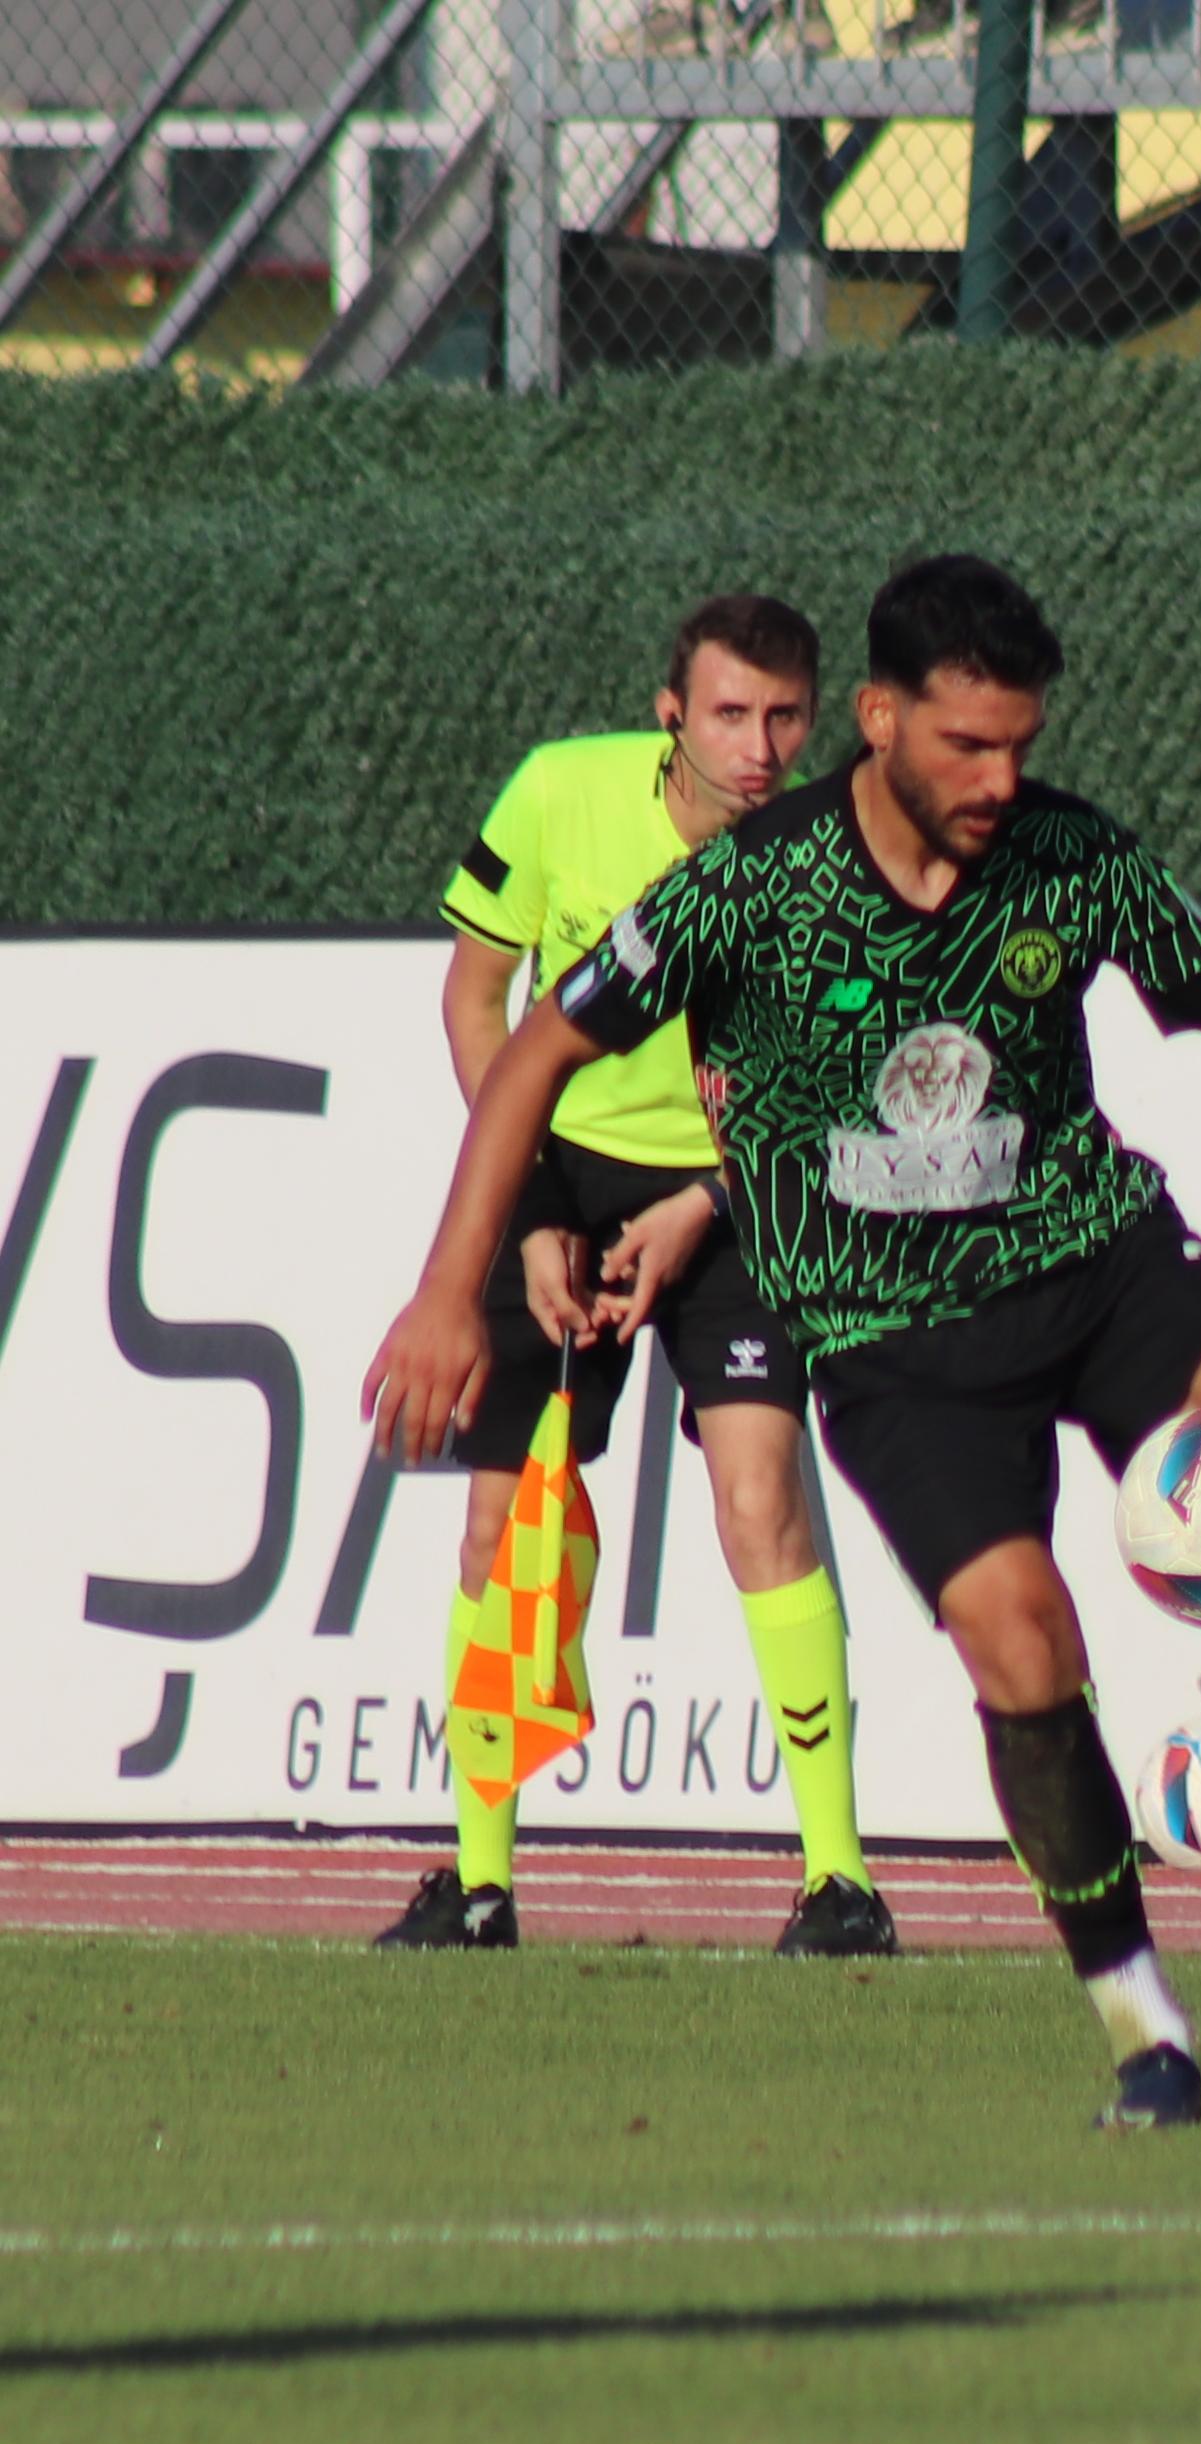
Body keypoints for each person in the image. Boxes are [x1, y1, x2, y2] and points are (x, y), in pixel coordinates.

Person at [362, 556, 1201, 2129]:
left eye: (1019, 746)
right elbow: (533, 1053)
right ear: (880, 716)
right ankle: (1143, 2024)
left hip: (1092, 1256)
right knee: (1022, 1646)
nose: (998, 780)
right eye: (965, 748)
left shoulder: (1069, 858)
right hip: (893, 1339)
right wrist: (452, 1286)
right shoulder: (746, 886)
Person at [375, 594, 892, 1959]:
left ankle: (838, 1884)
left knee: (759, 1496)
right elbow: (474, 1003)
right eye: (730, 713)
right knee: (500, 1530)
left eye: (786, 715)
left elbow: (848, 1076)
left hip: (745, 1188)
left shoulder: (839, 849)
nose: (760, 745)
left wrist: (705, 1203)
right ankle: (478, 1887)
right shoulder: (560, 789)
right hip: (559, 1166)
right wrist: (534, 1208)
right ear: (674, 712)